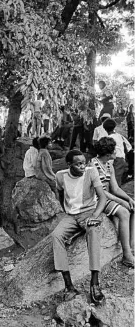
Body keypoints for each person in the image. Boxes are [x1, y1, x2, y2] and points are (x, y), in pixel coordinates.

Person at [51, 150, 107, 304]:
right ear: (69, 164)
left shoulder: (91, 172)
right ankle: (69, 286)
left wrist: (95, 216)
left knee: (93, 232)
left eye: (83, 162)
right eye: (78, 164)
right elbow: (60, 194)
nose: (83, 166)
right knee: (56, 236)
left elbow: (102, 197)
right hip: (71, 216)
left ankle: (94, 283)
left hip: (89, 213)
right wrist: (65, 211)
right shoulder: (60, 176)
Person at [90, 137, 134, 267]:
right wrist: (120, 201)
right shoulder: (93, 165)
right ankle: (126, 255)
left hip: (108, 196)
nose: (116, 152)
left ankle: (131, 245)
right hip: (97, 198)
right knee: (124, 212)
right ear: (108, 154)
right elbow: (100, 191)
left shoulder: (109, 165)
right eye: (114, 151)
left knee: (132, 207)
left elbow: (115, 188)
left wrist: (129, 199)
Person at [103, 118, 132, 186]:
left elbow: (109, 152)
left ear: (105, 129)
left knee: (114, 181)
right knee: (116, 179)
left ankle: (116, 194)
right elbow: (129, 147)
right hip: (122, 159)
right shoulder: (119, 136)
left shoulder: (108, 138)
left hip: (116, 160)